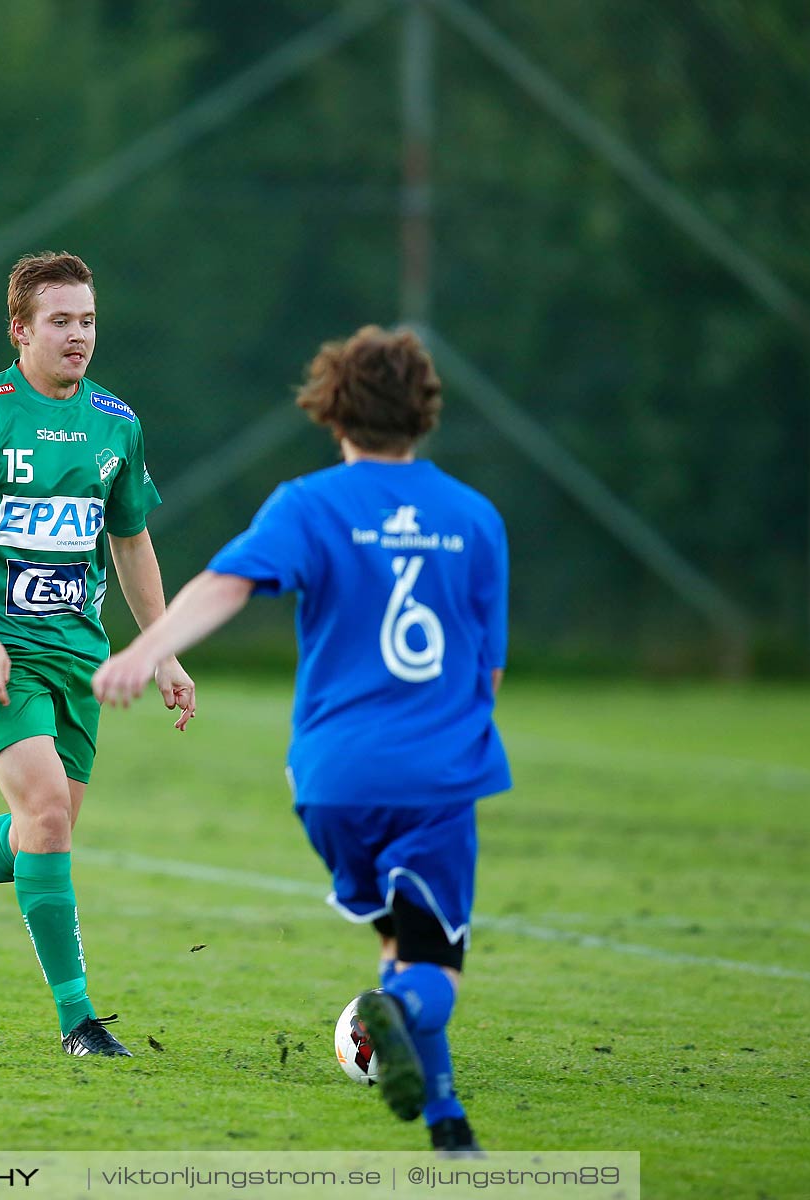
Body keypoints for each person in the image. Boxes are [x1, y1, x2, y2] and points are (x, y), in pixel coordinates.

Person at [93, 325, 509, 1151]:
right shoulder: (475, 518)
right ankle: (396, 1019)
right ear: (424, 412)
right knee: (433, 966)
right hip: (434, 775)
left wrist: (147, 650)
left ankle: (447, 1124)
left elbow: (227, 583)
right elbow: (487, 676)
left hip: (331, 780)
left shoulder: (309, 505)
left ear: (333, 410)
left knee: (401, 938)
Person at [0, 251, 196, 1057]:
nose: (78, 337)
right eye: (61, 322)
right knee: (49, 816)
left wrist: (162, 650)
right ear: (20, 329)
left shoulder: (117, 424)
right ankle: (79, 1022)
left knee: (44, 831)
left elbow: (130, 542)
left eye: (88, 321)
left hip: (80, 655)